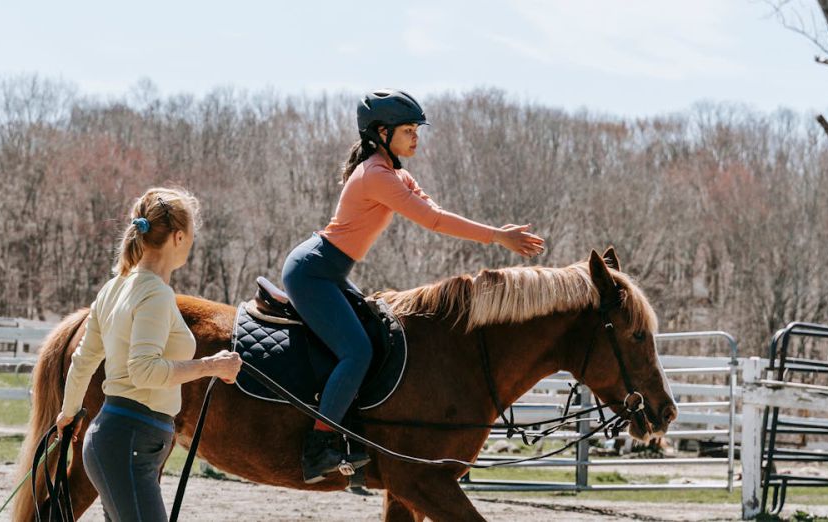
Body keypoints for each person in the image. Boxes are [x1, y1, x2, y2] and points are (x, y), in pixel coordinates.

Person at [282, 89, 546, 484]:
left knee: (372, 340)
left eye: (416, 129)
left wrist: (495, 235)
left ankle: (353, 431)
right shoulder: (375, 175)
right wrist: (496, 237)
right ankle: (318, 445)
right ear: (381, 134)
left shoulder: (395, 173)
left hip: (328, 270)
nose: (416, 137)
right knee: (357, 353)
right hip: (312, 272)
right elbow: (433, 222)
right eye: (408, 130)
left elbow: (435, 211)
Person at [55, 187, 242, 522]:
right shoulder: (155, 294)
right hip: (130, 443)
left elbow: (83, 362)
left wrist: (68, 412)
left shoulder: (113, 289)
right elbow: (144, 371)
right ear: (179, 236)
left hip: (117, 442)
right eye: (192, 235)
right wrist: (211, 365)